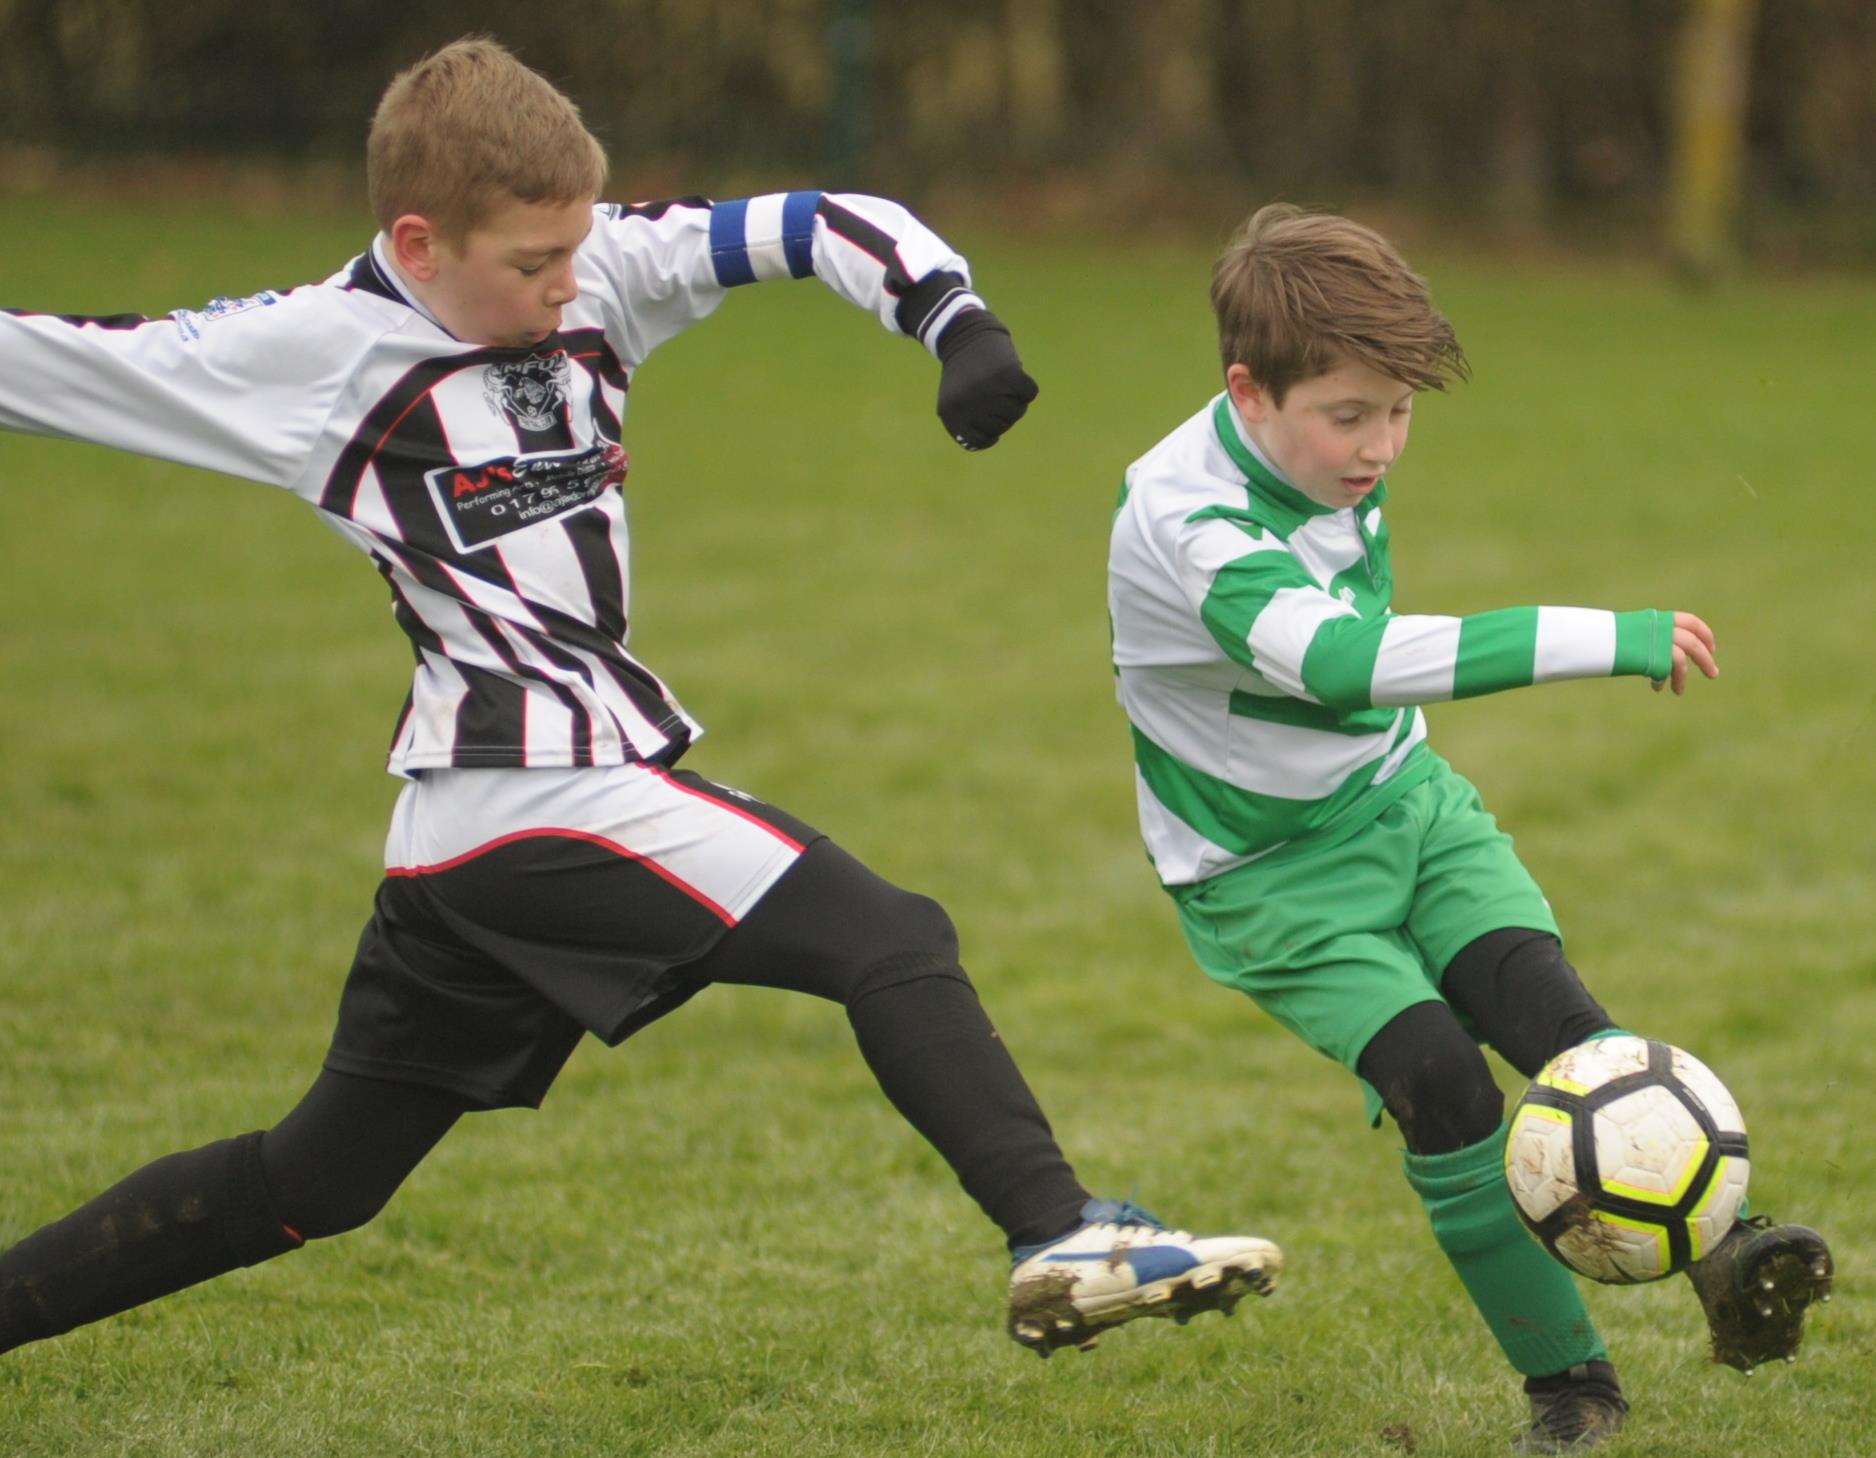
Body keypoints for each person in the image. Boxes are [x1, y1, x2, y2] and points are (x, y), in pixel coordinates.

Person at [0, 37, 1281, 1367]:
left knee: (317, 1179)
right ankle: (1057, 1228)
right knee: (889, 936)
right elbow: (41, 363)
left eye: (574, 254)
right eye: (531, 267)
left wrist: (950, 316)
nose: (569, 289)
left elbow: (815, 220)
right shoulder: (306, 354)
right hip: (527, 794)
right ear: (420, 241)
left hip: (488, 836)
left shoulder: (597, 265)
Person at [1105, 203, 1832, 1450]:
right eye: (1349, 414)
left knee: (1554, 1018)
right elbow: (1341, 660)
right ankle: (1571, 1387)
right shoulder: (1188, 524)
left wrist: (1354, 425)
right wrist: (1602, 634)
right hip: (1266, 876)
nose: (1380, 444)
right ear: (1248, 390)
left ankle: (1725, 1255)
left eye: (1398, 410)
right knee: (1441, 1080)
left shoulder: (1324, 449)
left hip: (1405, 805)